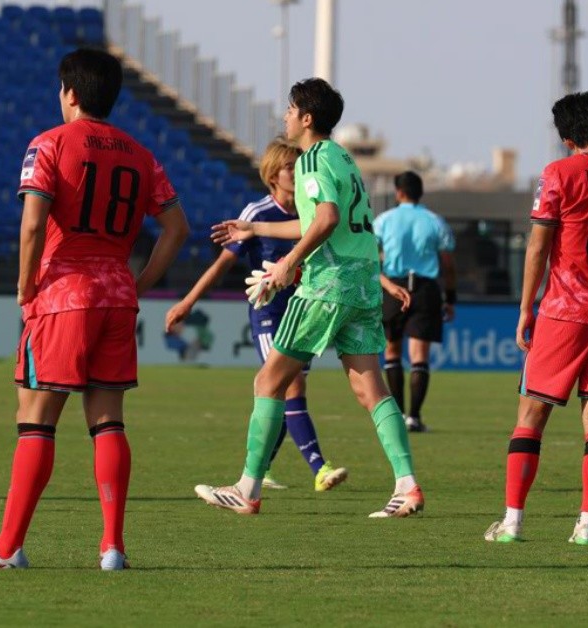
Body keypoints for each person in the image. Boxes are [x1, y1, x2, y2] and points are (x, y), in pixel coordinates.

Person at [0, 49, 190, 570]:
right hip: (116, 297)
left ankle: (8, 549)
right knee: (108, 421)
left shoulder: (48, 144)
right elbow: (177, 228)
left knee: (36, 419)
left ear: (71, 94)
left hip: (63, 295)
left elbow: (34, 225)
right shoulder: (141, 154)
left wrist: (25, 286)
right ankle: (112, 548)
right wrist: (141, 282)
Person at [201, 78, 424, 518]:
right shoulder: (343, 158)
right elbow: (321, 221)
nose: (284, 116)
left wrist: (287, 264)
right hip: (361, 282)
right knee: (370, 388)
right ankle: (407, 485)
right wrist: (256, 229)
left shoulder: (310, 162)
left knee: (268, 381)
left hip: (328, 284)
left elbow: (325, 218)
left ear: (306, 118)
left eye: (289, 109)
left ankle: (247, 489)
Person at [484, 92, 588, 545]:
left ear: (567, 137)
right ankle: (587, 526)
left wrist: (524, 308)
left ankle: (513, 523)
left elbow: (538, 245)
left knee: (531, 415)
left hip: (564, 309)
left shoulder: (558, 173)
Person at [166, 140, 349, 496]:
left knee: (280, 393)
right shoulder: (257, 213)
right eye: (288, 168)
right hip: (268, 313)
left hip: (304, 311)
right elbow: (223, 264)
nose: (295, 173)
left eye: (299, 166)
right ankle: (319, 467)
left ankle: (258, 471)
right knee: (289, 386)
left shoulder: (309, 210)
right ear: (271, 174)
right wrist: (187, 302)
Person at [373, 170, 456, 433]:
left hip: (392, 287)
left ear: (399, 192)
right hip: (425, 289)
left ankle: (397, 416)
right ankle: (414, 417)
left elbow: (370, 255)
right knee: (419, 356)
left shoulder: (384, 220)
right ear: (420, 193)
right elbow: (448, 263)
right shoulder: (435, 221)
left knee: (391, 352)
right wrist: (450, 297)